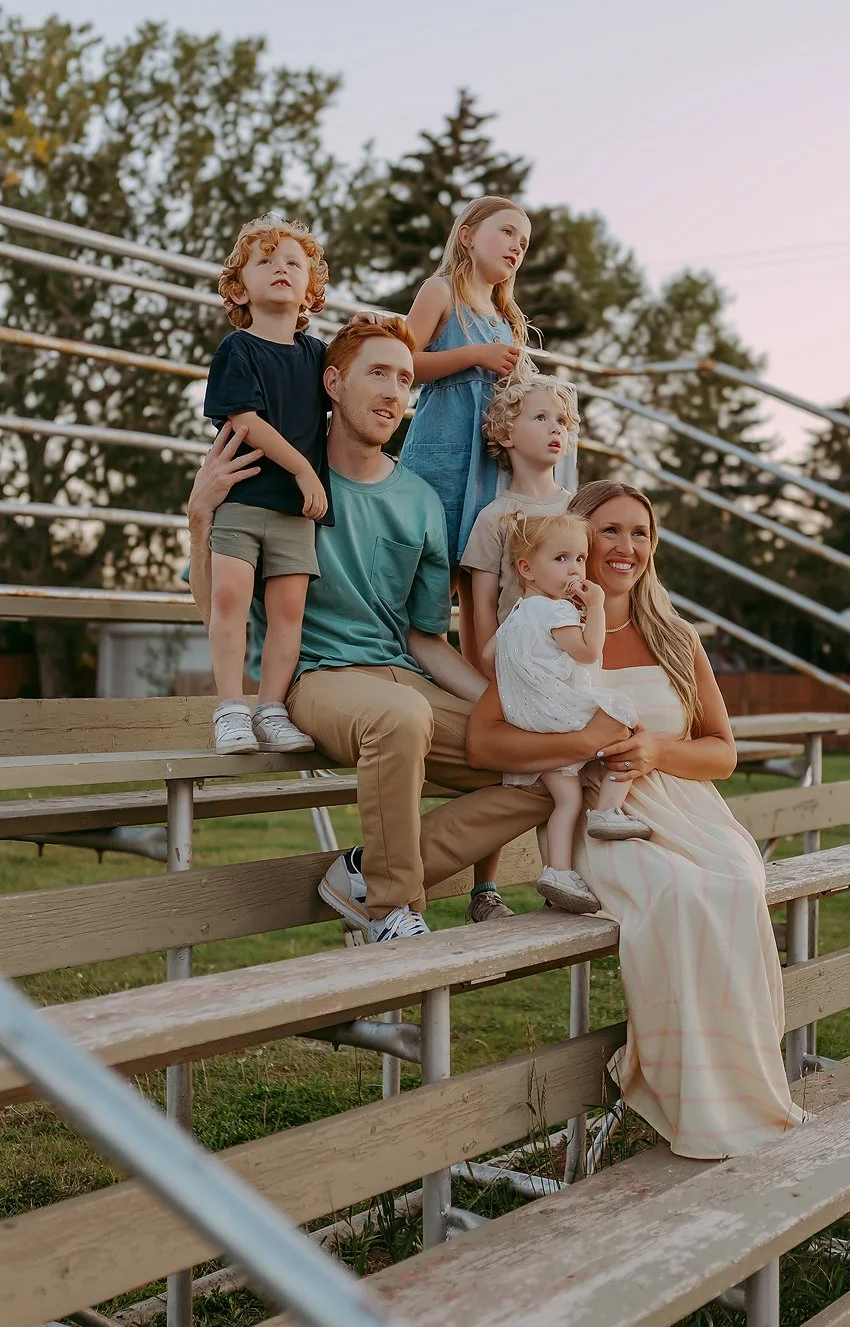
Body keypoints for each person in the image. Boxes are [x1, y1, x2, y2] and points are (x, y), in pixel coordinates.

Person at [187, 318, 618, 940]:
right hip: (318, 680)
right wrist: (200, 514)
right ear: (332, 383)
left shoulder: (418, 500)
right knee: (398, 716)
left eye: (406, 379)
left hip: (405, 675)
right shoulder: (275, 484)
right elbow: (214, 607)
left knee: (548, 759)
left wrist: (507, 708)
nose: (394, 393)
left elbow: (425, 640)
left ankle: (368, 872)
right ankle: (391, 911)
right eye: (378, 374)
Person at [467, 481, 806, 1160]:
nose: (626, 548)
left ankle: (744, 1086)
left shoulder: (676, 637)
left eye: (641, 533)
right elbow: (485, 743)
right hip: (601, 814)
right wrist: (579, 745)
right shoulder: (541, 633)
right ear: (575, 542)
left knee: (737, 883)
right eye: (610, 532)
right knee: (676, 894)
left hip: (689, 806)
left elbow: (722, 752)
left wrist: (657, 749)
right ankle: (685, 1092)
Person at [203, 215, 333, 755]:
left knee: (288, 613)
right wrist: (303, 467)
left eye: (293, 263)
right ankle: (231, 708)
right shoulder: (239, 349)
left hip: (295, 514)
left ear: (311, 289)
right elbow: (244, 420)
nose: (281, 268)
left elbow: (357, 376)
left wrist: (372, 327)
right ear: (240, 287)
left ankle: (272, 708)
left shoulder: (320, 355)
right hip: (244, 497)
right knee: (230, 597)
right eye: (266, 260)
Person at [489, 511, 650, 916]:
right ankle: (609, 809)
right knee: (623, 716)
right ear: (527, 568)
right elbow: (589, 651)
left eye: (579, 559)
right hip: (554, 713)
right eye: (561, 559)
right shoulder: (555, 611)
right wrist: (593, 607)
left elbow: (491, 655)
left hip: (525, 720)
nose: (575, 569)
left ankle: (557, 870)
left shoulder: (516, 615)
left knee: (566, 799)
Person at [399, 195, 531, 659]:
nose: (517, 246)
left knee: (482, 573)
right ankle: (417, 662)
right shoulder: (440, 292)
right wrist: (476, 356)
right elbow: (405, 363)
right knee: (434, 564)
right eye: (507, 231)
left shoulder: (506, 319)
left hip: (489, 463)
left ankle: (480, 678)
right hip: (443, 454)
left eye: (524, 241)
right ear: (468, 235)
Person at [460, 374, 577, 674]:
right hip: (519, 665)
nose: (556, 428)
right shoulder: (492, 518)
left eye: (562, 421)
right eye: (541, 417)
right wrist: (489, 666)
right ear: (505, 436)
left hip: (575, 658)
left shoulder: (578, 508)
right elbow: (482, 606)